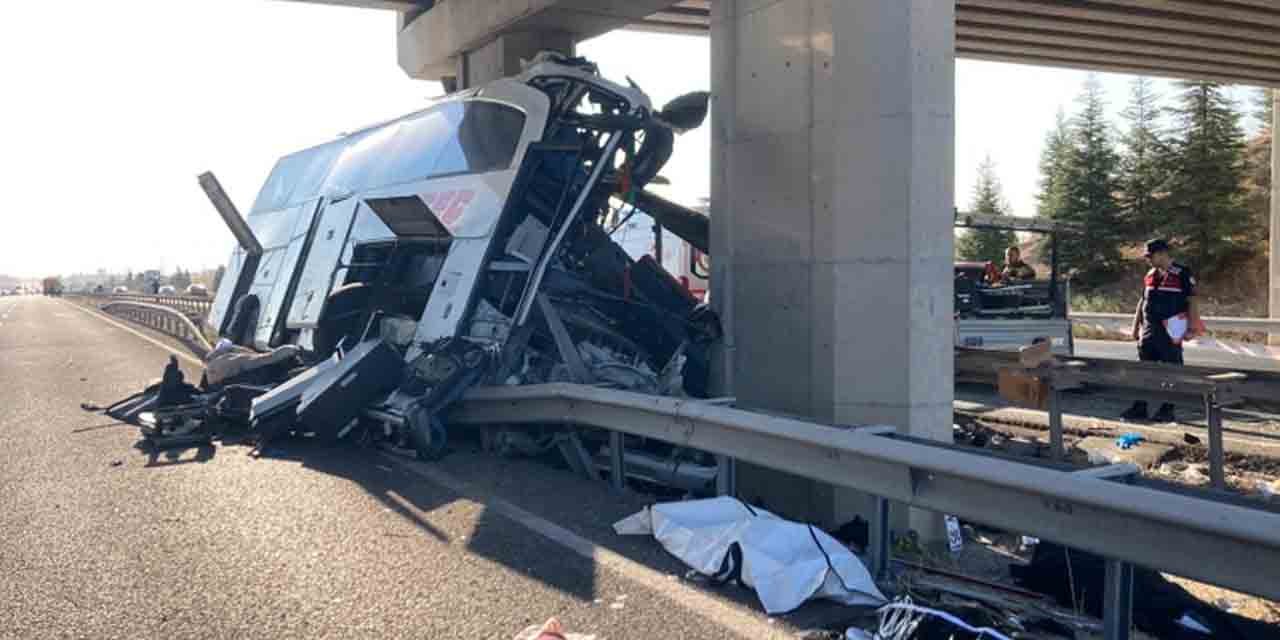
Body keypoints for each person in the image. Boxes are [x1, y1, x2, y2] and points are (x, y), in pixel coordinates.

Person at [1121, 239, 1203, 422]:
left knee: (1171, 372)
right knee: (1144, 371)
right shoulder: (1150, 274)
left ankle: (1167, 409)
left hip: (1171, 330)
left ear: (1162, 254)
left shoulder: (1182, 273)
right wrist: (1135, 327)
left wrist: (1192, 327)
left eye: (1150, 256)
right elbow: (1143, 301)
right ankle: (1140, 407)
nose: (1148, 260)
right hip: (1149, 331)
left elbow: (1192, 301)